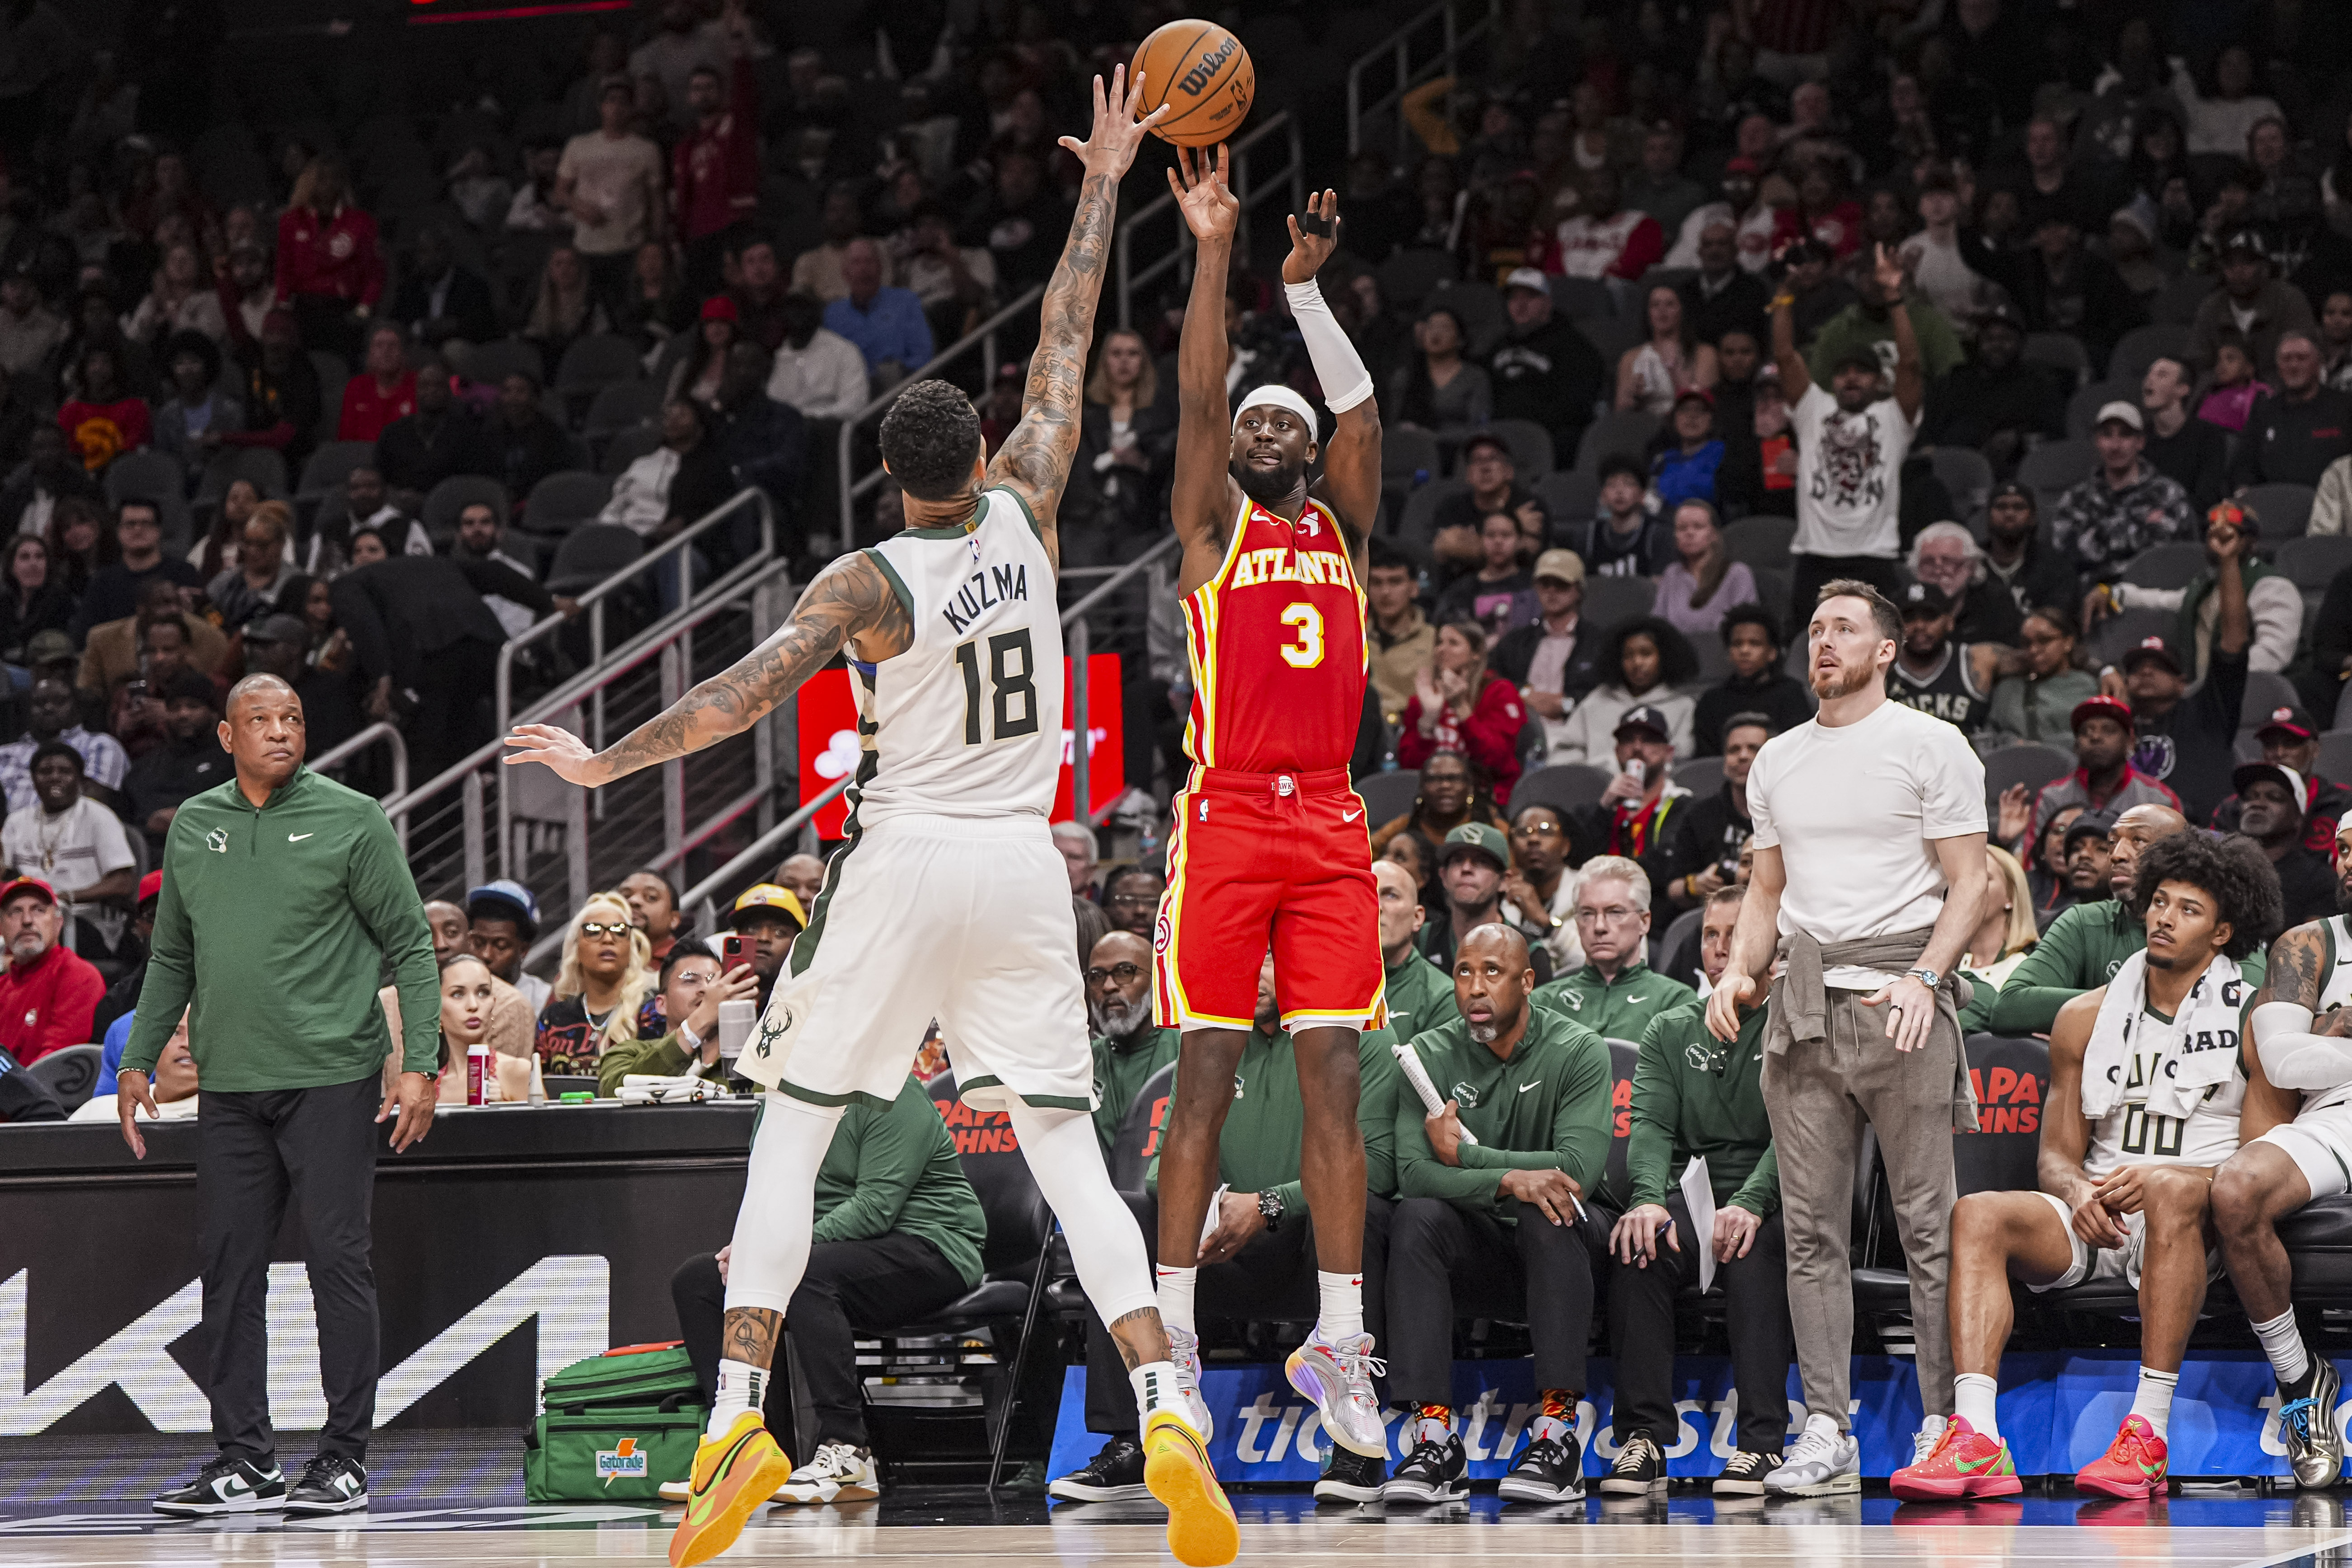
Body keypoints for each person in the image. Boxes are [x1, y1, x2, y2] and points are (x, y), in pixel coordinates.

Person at [505, 78, 1239, 1568]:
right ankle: (1167, 1400)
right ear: (984, 453)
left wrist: (600, 763)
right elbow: (1063, 338)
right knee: (1066, 1152)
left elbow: (733, 700)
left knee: (789, 1137)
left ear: (891, 475)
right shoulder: (1031, 500)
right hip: (1026, 866)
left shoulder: (864, 582)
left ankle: (734, 1427)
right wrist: (1102, 183)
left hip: (903, 862)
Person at [1133, 149, 1399, 1503]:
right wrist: (1212, 252)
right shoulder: (1209, 533)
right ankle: (1174, 1337)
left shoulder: (1345, 532)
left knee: (1334, 1078)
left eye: (1282, 423)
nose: (1262, 432)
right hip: (1229, 812)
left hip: (1333, 820)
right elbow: (1194, 394)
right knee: (1203, 1075)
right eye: (1250, 425)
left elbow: (1362, 410)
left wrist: (1301, 292)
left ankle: (1339, 1340)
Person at [129, 674, 438, 1518]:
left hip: (332, 1076)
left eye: (293, 718)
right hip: (229, 1085)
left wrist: (420, 1062)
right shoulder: (195, 824)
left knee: (338, 1262)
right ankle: (246, 1460)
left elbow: (412, 944)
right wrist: (139, 1057)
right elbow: (172, 955)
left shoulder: (353, 817)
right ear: (227, 738)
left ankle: (343, 1459)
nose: (280, 731)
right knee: (229, 1271)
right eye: (261, 720)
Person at [1704, 579, 1988, 1495]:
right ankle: (1826, 1428)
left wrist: (1927, 978)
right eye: (1817, 628)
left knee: (1926, 1229)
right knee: (1809, 1234)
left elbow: (1973, 882)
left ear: (1885, 650)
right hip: (1802, 1004)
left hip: (1902, 997)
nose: (1823, 642)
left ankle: (1941, 1423)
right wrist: (1738, 971)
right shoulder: (1778, 759)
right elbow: (1766, 889)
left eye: (1845, 629)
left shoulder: (1930, 744)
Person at [1894, 830, 2277, 1502]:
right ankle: (1977, 1435)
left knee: (2167, 1187)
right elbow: (2057, 1156)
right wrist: (2077, 1191)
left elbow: (2263, 1165)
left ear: (2222, 933)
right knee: (1977, 1212)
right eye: (2159, 901)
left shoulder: (2255, 1018)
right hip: (2099, 1211)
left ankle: (2147, 1435)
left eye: (2187, 909)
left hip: (2197, 1217)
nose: (2163, 917)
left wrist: (2177, 1180)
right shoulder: (2083, 1015)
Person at [1059, 951, 1406, 1507]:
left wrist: (1270, 1204)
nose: (1256, 973)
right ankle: (1134, 1441)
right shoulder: (1210, 1043)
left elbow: (1381, 1165)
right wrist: (1220, 1204)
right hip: (1219, 1246)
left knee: (1373, 1217)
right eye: (1251, 959)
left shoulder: (1358, 1037)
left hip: (1312, 1248)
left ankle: (1356, 1448)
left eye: (1272, 961)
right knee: (1128, 1220)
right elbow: (1161, 1168)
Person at [667, 1073, 986, 1507]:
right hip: (831, 1251)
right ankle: (754, 1452)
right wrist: (750, 1249)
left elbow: (875, 1208)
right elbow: (768, 1197)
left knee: (802, 1274)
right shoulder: (780, 1100)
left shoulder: (891, 1089)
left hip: (932, 1245)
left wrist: (781, 1253)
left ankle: (849, 1449)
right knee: (699, 1282)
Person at [1381, 923, 1613, 1504]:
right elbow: (1413, 1174)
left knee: (1549, 1207)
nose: (1476, 987)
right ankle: (1434, 1436)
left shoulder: (1579, 1048)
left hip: (1572, 1249)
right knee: (1417, 1217)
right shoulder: (1427, 1054)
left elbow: (1576, 1170)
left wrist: (1469, 1157)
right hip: (1484, 1245)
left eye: (1493, 971)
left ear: (1528, 980)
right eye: (1464, 971)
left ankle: (1558, 1433)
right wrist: (1510, 1180)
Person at [1604, 883, 1790, 1496]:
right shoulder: (1670, 1027)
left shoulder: (1792, 1022)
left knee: (1753, 1249)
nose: (1719, 948)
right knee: (1639, 1243)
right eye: (1711, 934)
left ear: (1770, 943)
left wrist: (1752, 1202)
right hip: (1695, 1197)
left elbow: (1797, 1133)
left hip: (1780, 1196)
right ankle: (1644, 1438)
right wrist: (1646, 1199)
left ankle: (1762, 1440)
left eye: (1735, 934)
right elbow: (1651, 1126)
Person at [2214, 818, 2352, 1488]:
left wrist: (2332, 1030)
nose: (2349, 863)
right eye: (2344, 850)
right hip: (2340, 1113)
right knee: (2235, 1187)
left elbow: (2309, 1049)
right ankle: (2300, 1379)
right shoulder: (2308, 944)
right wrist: (2321, 1040)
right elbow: (2284, 1061)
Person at [330, 549, 569, 786]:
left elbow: (365, 625)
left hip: (433, 651)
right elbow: (494, 573)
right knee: (465, 729)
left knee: (430, 744)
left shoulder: (344, 586)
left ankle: (439, 806)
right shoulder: (426, 563)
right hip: (485, 642)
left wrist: (382, 678)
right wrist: (551, 601)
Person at [1775, 246, 1925, 608]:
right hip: (1815, 555)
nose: (1851, 378)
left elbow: (1910, 363)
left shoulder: (1893, 417)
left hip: (1874, 556)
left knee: (1876, 644)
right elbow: (1784, 355)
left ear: (1880, 381)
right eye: (1843, 372)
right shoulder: (1813, 408)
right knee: (1807, 643)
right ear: (1833, 381)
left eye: (1862, 372)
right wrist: (1783, 296)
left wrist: (1893, 298)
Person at [1983, 803, 2197, 1034]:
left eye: (2138, 841)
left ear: (2180, 857)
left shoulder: (2210, 926)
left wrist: (2079, 1013)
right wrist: (2129, 1001)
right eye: (2113, 843)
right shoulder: (2085, 922)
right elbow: (2010, 1007)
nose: (2117, 855)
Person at [2115, 549, 2250, 827]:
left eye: (2160, 667)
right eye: (2137, 668)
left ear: (2182, 682)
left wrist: (2228, 560)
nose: (2146, 672)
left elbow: (2234, 643)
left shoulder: (2209, 711)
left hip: (2203, 835)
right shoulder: (2116, 726)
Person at [1534, 856, 1696, 1038]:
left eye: (1615, 912)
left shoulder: (1675, 1002)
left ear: (1644, 922)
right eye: (1588, 914)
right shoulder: (1542, 1004)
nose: (1599, 926)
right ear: (1578, 923)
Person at [3, 739, 136, 958]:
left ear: (80, 779)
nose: (55, 777)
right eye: (45, 772)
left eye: (65, 772)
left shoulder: (99, 816)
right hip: (27, 919)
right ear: (33, 779)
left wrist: (65, 897)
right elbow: (4, 873)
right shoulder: (17, 822)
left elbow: (123, 883)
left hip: (84, 921)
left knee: (45, 930)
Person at [596, 939, 763, 1097]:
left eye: (715, 982)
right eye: (691, 981)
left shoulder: (757, 1059)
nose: (708, 990)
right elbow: (614, 1092)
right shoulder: (629, 1052)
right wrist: (701, 1020)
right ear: (662, 1004)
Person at [557, 76, 666, 315]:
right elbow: (560, 192)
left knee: (627, 311)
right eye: (611, 101)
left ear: (632, 108)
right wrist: (578, 207)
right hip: (587, 245)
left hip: (629, 246)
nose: (617, 107)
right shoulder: (579, 146)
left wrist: (656, 241)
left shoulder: (647, 150)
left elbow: (657, 200)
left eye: (623, 102)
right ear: (601, 106)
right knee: (587, 312)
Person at [2022, 695, 2183, 847]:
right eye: (2086, 731)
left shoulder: (2158, 800)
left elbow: (2176, 860)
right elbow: (2033, 859)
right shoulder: (2052, 798)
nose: (2096, 737)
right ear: (2076, 745)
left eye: (2109, 730)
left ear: (2130, 742)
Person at [1490, 549, 1606, 757]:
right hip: (1517, 734)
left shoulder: (1598, 642)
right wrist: (1524, 695)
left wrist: (1565, 704)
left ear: (1578, 590)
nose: (1552, 591)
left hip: (1575, 738)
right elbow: (1493, 679)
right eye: (1545, 584)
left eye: (1561, 584)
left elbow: (1604, 694)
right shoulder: (1515, 642)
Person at [1489, 267, 1607, 460]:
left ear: (1547, 302)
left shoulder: (1575, 346)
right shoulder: (1496, 347)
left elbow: (1577, 406)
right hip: (1500, 436)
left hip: (1550, 436)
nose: (1520, 305)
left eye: (1530, 297)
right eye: (1514, 298)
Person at [1083, 930, 1180, 1161]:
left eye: (1125, 972)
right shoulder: (1083, 1061)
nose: (1108, 986)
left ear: (1157, 978)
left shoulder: (1187, 1050)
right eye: (1096, 976)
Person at [1399, 620, 1526, 796]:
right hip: (1432, 799)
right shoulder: (1424, 698)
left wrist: (1461, 708)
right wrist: (1428, 721)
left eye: (1453, 643)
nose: (1442, 649)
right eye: (1439, 643)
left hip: (1485, 795)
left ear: (1476, 654)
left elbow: (1495, 760)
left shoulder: (1500, 692)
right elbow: (1409, 769)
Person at [1547, 620, 1698, 765]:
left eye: (1646, 654)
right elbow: (1564, 752)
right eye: (1628, 656)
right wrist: (1593, 772)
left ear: (1665, 657)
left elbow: (1681, 757)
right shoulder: (1597, 700)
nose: (1637, 662)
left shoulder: (1683, 706)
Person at [1663, 714, 1769, 915]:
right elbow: (1672, 889)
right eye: (1733, 750)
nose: (1743, 756)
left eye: (1754, 749)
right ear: (1724, 763)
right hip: (1715, 917)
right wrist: (1694, 885)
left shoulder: (1792, 813)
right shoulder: (1700, 816)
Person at [2211, 706, 2350, 852]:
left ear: (2315, 750)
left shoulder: (2344, 804)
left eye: (2291, 743)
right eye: (2270, 745)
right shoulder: (2231, 810)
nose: (2279, 753)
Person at [0, 877, 105, 1064]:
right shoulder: (3, 987)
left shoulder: (78, 976)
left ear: (58, 922)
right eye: (16, 912)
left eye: (38, 910)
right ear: (1, 928)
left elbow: (55, 1065)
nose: (27, 920)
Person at [2230, 332, 2352, 490]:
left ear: (2318, 364)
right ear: (2278, 367)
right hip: (2272, 501)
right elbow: (2244, 466)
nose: (2294, 366)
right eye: (2286, 359)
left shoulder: (2344, 408)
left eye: (2302, 358)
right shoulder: (2264, 411)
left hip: (2332, 501)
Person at [0, 674, 128, 816]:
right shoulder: (4, 753)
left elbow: (91, 807)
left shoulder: (101, 746)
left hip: (71, 827)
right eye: (40, 703)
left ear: (77, 706)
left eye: (59, 701)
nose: (48, 708)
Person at [1693, 607, 1812, 755]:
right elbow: (1706, 760)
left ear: (1772, 653)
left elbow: (1799, 748)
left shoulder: (1790, 693)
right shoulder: (1712, 701)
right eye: (1737, 644)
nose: (1745, 651)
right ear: (1729, 653)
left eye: (1755, 644)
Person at [2234, 763, 2339, 928]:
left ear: (2298, 818)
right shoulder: (2217, 868)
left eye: (2275, 798)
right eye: (2249, 797)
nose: (2257, 804)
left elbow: (2313, 943)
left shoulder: (2319, 881)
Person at [1984, 604, 2097, 747]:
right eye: (2027, 643)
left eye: (2044, 641)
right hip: (2013, 759)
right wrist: (2009, 741)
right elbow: (1989, 738)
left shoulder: (2088, 687)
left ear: (2068, 643)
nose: (2033, 650)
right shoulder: (2007, 690)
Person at [1417, 823, 1522, 975]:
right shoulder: (1420, 940)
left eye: (1481, 862)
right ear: (1443, 876)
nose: (1466, 869)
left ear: (1505, 881)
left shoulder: (1527, 950)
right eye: (1458, 861)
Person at [1377, 858, 1463, 1039]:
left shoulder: (1442, 998)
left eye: (1391, 895)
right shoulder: (1325, 981)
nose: (1377, 907)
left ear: (1417, 918)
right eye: (1366, 894)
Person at [1908, 521, 2023, 648]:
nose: (1938, 571)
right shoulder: (1902, 607)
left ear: (1971, 566)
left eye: (1949, 561)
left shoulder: (1997, 603)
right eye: (1928, 562)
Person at [1500, 805, 1585, 976]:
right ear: (1512, 847)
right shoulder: (1499, 895)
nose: (1533, 839)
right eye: (1523, 832)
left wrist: (1547, 924)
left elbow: (1590, 960)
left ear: (1566, 846)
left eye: (1546, 832)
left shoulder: (1587, 891)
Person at [1652, 498, 1754, 640]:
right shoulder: (1672, 573)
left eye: (1698, 527)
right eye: (1682, 528)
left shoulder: (1738, 574)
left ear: (1714, 534)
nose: (1690, 533)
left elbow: (1746, 628)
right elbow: (1657, 624)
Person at [2140, 357, 2230, 509]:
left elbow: (2207, 497)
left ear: (2183, 389)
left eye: (2162, 375)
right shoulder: (2139, 438)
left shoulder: (2208, 436)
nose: (2149, 380)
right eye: (2149, 374)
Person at [1615, 285, 1718, 415]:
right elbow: (1620, 414)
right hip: (1645, 423)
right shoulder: (1630, 358)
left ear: (1682, 310)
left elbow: (1702, 406)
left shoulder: (1705, 354)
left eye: (1670, 305)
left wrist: (1673, 370)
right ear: (1648, 313)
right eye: (1655, 305)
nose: (1662, 311)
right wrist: (1633, 397)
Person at [1365, 541, 1436, 724]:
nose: (1385, 592)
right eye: (1376, 583)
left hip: (1415, 728)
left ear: (1414, 588)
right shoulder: (1354, 635)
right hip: (1362, 728)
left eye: (1395, 582)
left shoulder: (1435, 641)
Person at [466, 879, 550, 1020]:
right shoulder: (450, 995)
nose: (486, 955)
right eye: (478, 943)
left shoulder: (544, 1002)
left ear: (524, 950)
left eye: (501, 946)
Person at [335, 324, 416, 444]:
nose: (386, 351)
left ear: (404, 354)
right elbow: (345, 440)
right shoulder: (357, 387)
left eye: (393, 345)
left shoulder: (418, 385)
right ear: (369, 354)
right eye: (379, 345)